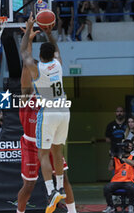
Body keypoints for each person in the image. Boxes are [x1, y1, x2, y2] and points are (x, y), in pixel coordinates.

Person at [17, 25, 77, 213]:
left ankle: (53, 191)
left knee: (47, 154)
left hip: (49, 115)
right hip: (62, 110)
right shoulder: (57, 65)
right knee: (56, 152)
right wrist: (50, 33)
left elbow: (24, 55)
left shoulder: (38, 73)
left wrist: (28, 32)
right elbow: (56, 50)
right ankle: (56, 189)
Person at [103, 139, 134, 213]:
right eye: (127, 146)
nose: (128, 147)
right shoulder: (116, 158)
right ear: (123, 147)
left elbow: (133, 163)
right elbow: (110, 168)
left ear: (132, 148)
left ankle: (131, 206)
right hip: (116, 181)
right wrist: (112, 157)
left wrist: (122, 158)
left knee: (133, 188)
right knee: (106, 188)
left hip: (128, 181)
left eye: (130, 146)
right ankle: (110, 206)